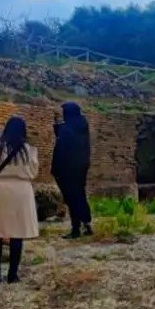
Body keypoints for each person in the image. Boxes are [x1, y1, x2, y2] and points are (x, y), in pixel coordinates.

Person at [0, 117, 39, 284]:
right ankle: (13, 274)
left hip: (1, 189)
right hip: (22, 190)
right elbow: (34, 172)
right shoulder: (29, 149)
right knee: (17, 233)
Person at [52, 102, 93, 239]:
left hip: (67, 168)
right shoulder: (82, 125)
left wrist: (55, 168)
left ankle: (76, 229)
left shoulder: (66, 128)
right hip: (81, 166)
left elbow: (62, 148)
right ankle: (87, 223)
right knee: (80, 194)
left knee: (71, 197)